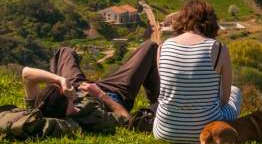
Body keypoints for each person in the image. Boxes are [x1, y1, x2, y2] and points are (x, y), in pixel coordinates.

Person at [153, 0, 242, 144]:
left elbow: (165, 88)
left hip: (164, 132)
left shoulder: (163, 47)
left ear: (182, 20)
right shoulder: (218, 49)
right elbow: (225, 100)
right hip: (208, 134)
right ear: (211, 23)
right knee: (236, 92)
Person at [22, 40, 160, 125]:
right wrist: (100, 94)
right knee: (150, 47)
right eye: (69, 98)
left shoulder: (40, 109)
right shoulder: (89, 117)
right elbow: (126, 119)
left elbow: (27, 74)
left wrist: (61, 80)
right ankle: (159, 103)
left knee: (64, 52)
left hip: (80, 85)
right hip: (112, 93)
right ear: (68, 109)